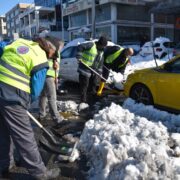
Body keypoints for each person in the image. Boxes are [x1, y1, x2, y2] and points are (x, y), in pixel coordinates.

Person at [0, 37, 61, 179]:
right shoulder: (41, 59)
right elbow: (35, 90)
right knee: (25, 136)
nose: (52, 59)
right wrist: (24, 104)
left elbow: (1, 46)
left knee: (3, 132)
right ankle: (40, 173)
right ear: (49, 51)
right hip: (11, 96)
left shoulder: (20, 42)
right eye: (53, 56)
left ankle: (5, 165)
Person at [38, 36, 65, 125]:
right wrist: (55, 77)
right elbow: (55, 66)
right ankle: (57, 119)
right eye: (62, 46)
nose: (62, 48)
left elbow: (56, 66)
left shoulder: (47, 50)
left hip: (44, 75)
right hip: (49, 75)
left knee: (43, 95)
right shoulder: (53, 51)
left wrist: (56, 77)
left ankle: (42, 114)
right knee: (52, 97)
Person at [76, 36, 107, 102]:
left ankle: (91, 100)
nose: (103, 47)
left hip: (93, 71)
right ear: (99, 44)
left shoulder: (101, 51)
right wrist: (79, 56)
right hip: (85, 69)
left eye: (104, 46)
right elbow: (80, 47)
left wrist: (99, 72)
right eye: (103, 45)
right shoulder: (91, 45)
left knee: (93, 85)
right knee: (84, 86)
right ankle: (83, 101)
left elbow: (101, 62)